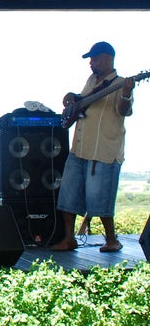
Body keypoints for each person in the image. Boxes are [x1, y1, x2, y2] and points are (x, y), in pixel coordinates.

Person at [52, 41, 135, 253]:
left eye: (95, 58)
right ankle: (69, 238)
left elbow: (124, 110)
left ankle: (112, 240)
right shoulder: (91, 81)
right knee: (68, 195)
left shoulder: (121, 83)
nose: (91, 63)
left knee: (102, 198)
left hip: (104, 151)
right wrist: (71, 99)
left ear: (108, 58)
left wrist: (126, 94)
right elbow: (80, 103)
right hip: (79, 148)